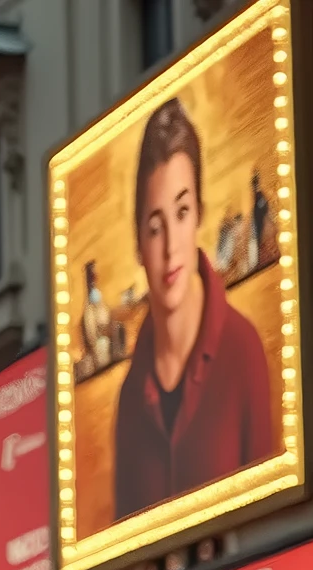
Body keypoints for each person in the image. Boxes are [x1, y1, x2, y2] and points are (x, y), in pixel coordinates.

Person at [112, 97, 276, 521]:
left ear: (200, 214)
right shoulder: (130, 398)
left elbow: (274, 524)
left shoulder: (243, 350)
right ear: (137, 245)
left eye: (182, 212)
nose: (169, 249)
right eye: (154, 227)